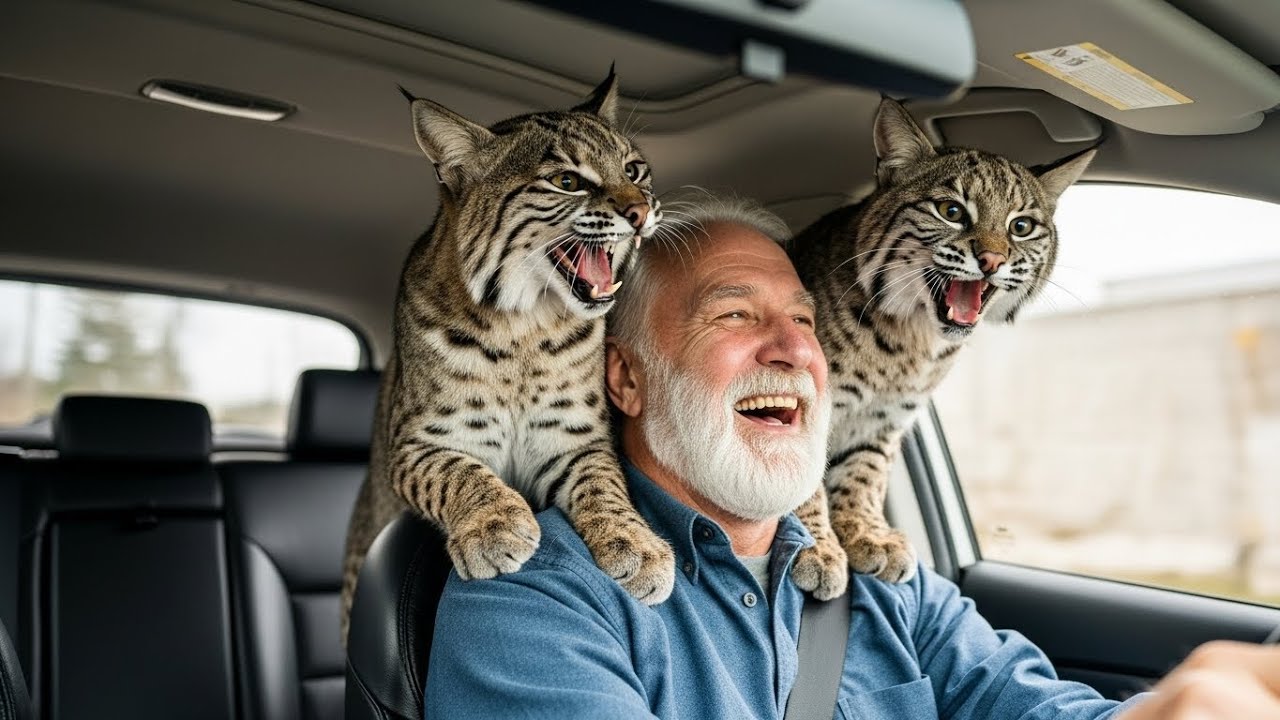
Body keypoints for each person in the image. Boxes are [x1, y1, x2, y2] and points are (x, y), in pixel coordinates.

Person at [423, 195, 1280, 719]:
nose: (793, 350)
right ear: (627, 378)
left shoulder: (890, 590)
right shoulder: (530, 599)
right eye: (734, 316)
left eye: (804, 320)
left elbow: (1034, 707)